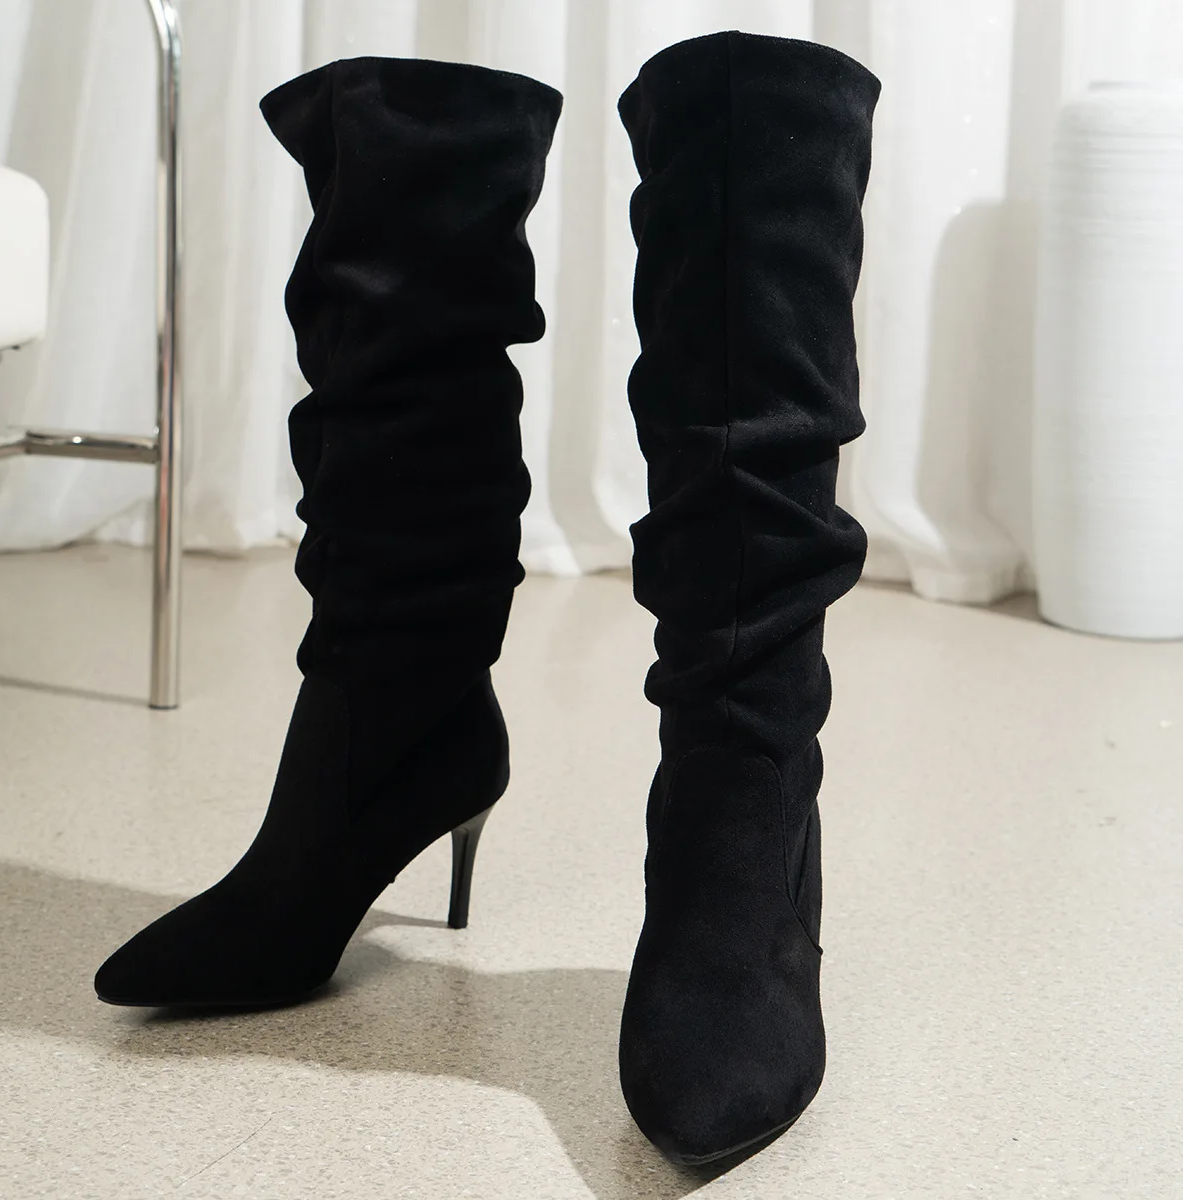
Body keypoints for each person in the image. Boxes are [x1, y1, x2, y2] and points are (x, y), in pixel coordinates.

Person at [94, 31, 879, 1167]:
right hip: (389, 695)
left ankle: (743, 805)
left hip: (737, 778)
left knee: (752, 155)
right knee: (406, 184)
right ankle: (399, 723)